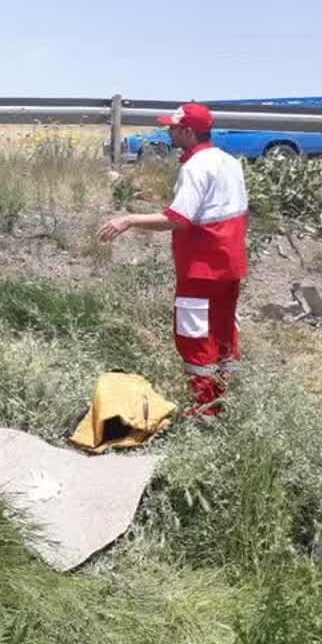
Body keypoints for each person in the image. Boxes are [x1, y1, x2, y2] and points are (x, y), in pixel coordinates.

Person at [97, 102, 249, 416]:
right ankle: (229, 401)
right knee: (223, 331)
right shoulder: (230, 162)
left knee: (194, 336)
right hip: (230, 263)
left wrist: (130, 220)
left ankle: (205, 410)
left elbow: (178, 218)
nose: (169, 131)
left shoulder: (195, 167)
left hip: (201, 266)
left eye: (174, 127)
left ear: (188, 131)